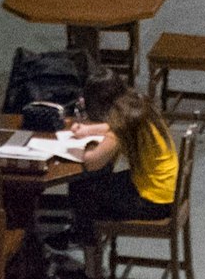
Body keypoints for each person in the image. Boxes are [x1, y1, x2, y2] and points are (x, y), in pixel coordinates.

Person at [60, 78, 181, 243]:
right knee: (98, 182)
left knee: (82, 189)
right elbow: (110, 128)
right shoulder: (136, 104)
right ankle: (85, 233)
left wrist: (69, 148)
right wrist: (88, 130)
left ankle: (85, 243)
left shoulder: (121, 121)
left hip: (154, 202)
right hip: (164, 188)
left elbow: (92, 162)